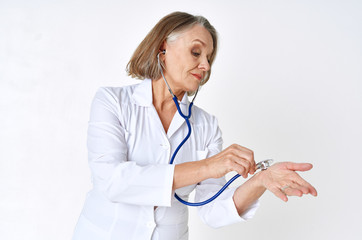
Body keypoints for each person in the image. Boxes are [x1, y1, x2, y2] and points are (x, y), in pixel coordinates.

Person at [72, 11, 317, 240]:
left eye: (209, 58)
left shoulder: (206, 125)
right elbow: (114, 181)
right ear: (162, 48)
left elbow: (212, 209)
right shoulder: (113, 102)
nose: (206, 66)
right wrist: (208, 166)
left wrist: (260, 181)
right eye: (196, 53)